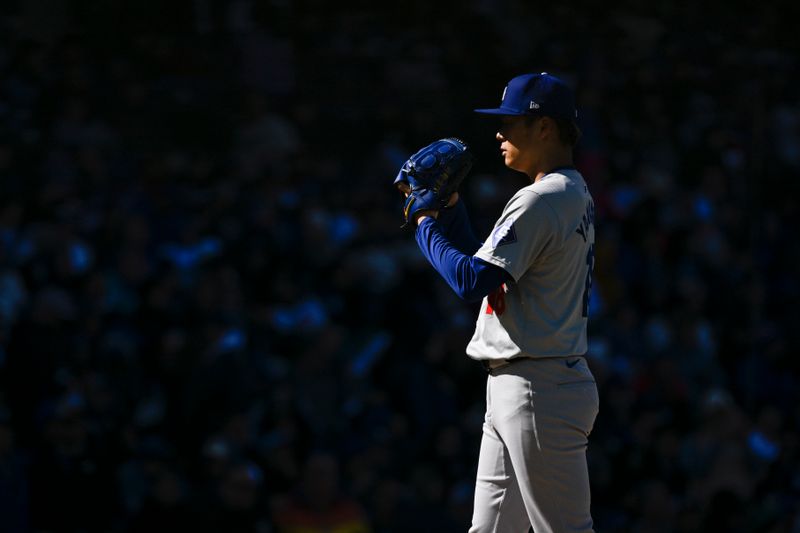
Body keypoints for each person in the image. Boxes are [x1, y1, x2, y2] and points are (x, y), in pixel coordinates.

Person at [406, 72, 599, 532]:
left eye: (511, 121)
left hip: (538, 384)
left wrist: (425, 224)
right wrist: (450, 213)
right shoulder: (568, 192)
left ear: (545, 128)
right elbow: (493, 276)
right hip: (529, 381)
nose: (499, 132)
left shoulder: (541, 199)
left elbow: (471, 281)